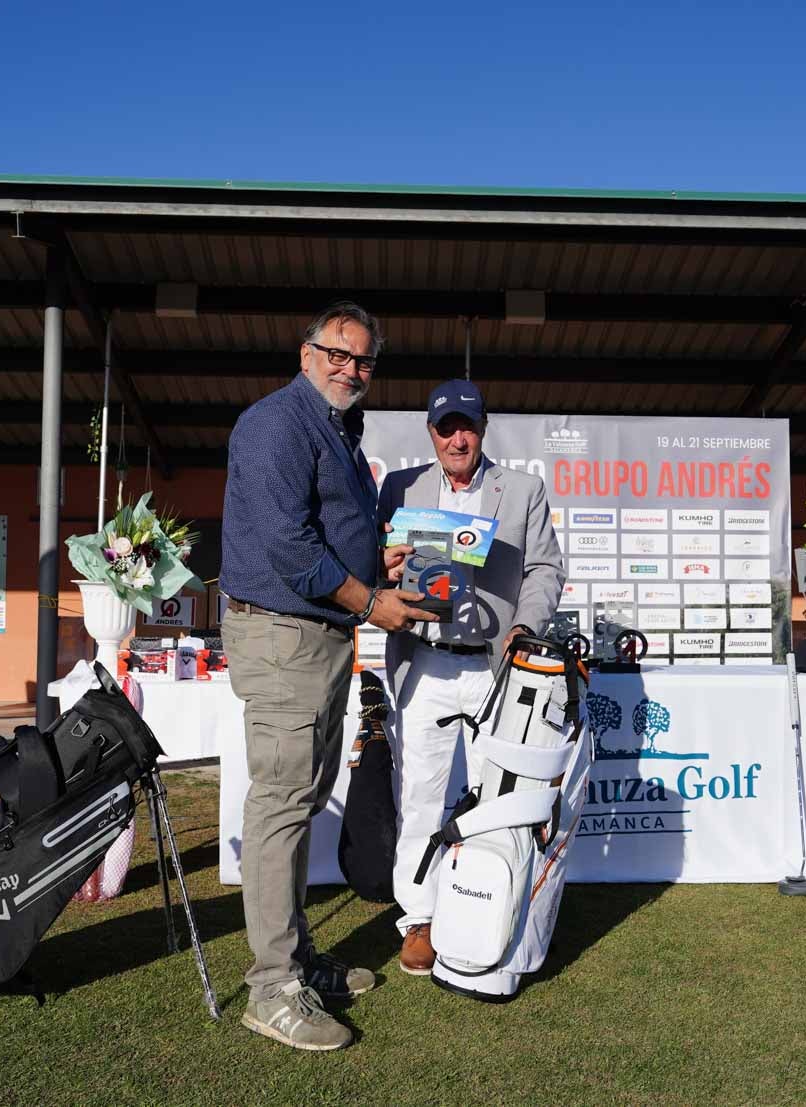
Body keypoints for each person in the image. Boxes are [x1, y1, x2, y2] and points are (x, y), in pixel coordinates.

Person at [219, 301, 437, 1051]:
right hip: (284, 634)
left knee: (303, 795)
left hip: (319, 636)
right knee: (281, 802)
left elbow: (331, 538)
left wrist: (381, 565)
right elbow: (290, 546)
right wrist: (373, 600)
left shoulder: (338, 428)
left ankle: (297, 955)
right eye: (337, 353)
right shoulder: (279, 421)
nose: (351, 368)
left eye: (364, 359)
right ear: (306, 350)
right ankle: (272, 987)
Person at [377, 379, 564, 976]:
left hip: (493, 666)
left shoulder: (524, 491)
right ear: (430, 432)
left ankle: (496, 908)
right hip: (423, 663)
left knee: (499, 800)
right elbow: (368, 566)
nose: (457, 438)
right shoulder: (400, 488)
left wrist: (525, 626)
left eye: (467, 425)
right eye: (445, 426)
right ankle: (420, 920)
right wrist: (382, 567)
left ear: (483, 428)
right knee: (420, 799)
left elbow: (545, 569)